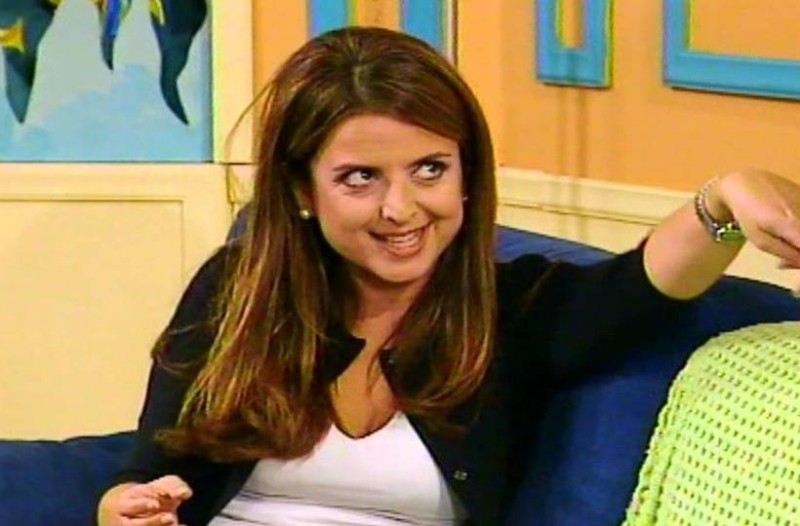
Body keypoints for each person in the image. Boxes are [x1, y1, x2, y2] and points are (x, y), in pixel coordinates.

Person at [97, 26, 800, 526]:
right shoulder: (238, 289)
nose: (400, 208)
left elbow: (641, 285)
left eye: (430, 169)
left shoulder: (510, 312)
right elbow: (152, 469)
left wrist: (729, 196)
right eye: (360, 178)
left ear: (466, 174)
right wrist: (124, 507)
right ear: (303, 189)